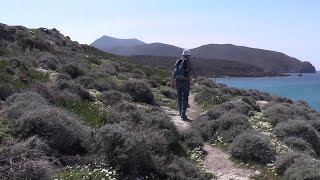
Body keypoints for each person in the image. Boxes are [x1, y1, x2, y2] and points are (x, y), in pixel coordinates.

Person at [172, 49, 196, 120]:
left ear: (183, 55)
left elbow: (174, 72)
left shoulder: (178, 61)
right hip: (186, 81)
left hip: (178, 81)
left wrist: (172, 81)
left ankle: (180, 112)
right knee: (185, 97)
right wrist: (196, 78)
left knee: (179, 96)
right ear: (189, 55)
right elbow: (193, 71)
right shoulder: (189, 62)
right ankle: (183, 113)